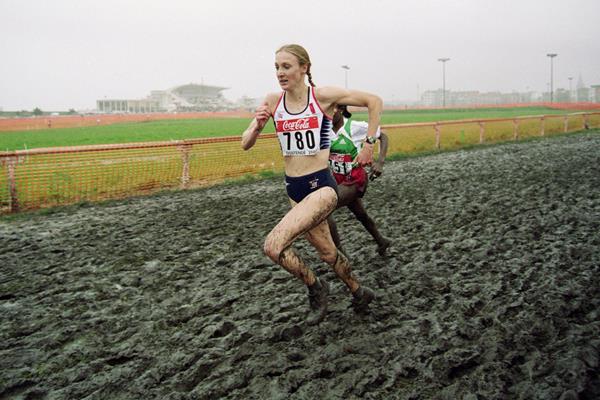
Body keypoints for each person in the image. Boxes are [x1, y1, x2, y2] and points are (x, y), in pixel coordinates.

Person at [241, 44, 383, 325]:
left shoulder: (322, 97)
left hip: (321, 187)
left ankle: (316, 287)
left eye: (286, 66)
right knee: (329, 253)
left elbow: (374, 101)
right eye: (277, 67)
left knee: (273, 247)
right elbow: (245, 143)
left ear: (304, 68)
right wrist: (256, 126)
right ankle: (358, 291)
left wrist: (369, 144)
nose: (280, 73)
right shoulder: (272, 101)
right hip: (294, 188)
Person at [327, 104, 391, 256]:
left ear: (341, 110)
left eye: (331, 110)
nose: (327, 114)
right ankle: (382, 242)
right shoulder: (325, 131)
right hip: (338, 181)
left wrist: (380, 162)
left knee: (325, 207)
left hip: (355, 179)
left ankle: (340, 254)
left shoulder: (354, 127)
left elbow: (383, 136)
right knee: (361, 214)